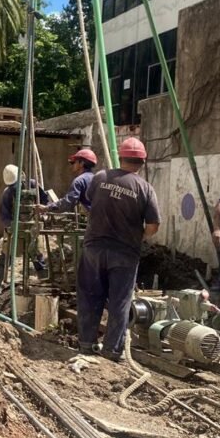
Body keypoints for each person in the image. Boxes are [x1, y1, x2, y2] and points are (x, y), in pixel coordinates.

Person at [77, 137, 160, 361]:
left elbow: (88, 202)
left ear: (121, 157)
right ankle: (112, 351)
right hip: (125, 253)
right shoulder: (145, 189)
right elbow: (153, 226)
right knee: (119, 301)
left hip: (94, 248)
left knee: (89, 296)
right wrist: (139, 236)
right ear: (142, 162)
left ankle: (86, 344)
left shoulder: (101, 177)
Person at [0, 164, 49, 294]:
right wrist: (11, 226)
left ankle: (45, 283)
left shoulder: (33, 185)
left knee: (37, 255)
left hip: (33, 226)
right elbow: (4, 214)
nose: (15, 187)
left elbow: (45, 200)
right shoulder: (8, 193)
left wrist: (43, 214)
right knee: (6, 257)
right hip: (15, 228)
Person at [44, 148, 97, 214]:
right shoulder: (97, 179)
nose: (72, 165)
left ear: (81, 163)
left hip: (93, 218)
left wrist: (47, 208)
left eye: (73, 162)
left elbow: (68, 203)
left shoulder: (79, 181)